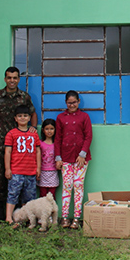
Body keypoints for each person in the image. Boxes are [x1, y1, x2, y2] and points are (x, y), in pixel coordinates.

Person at [0, 67, 38, 222]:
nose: (12, 80)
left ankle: (19, 214)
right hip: (1, 143)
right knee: (0, 177)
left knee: (19, 180)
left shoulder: (24, 97)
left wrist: (33, 130)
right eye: (9, 77)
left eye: (15, 78)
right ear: (5, 79)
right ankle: (0, 214)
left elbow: (33, 113)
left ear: (18, 79)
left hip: (21, 146)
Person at [55, 90, 92, 229]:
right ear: (66, 103)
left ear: (78, 102)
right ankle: (64, 217)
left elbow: (88, 137)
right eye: (69, 103)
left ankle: (77, 218)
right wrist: (58, 158)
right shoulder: (60, 118)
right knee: (67, 186)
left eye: (74, 102)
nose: (72, 105)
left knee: (78, 186)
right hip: (65, 158)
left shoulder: (84, 117)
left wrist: (82, 155)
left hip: (81, 159)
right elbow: (57, 138)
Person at [4, 105, 42, 225]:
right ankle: (8, 217)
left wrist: (38, 168)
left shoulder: (34, 134)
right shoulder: (11, 134)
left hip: (30, 172)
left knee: (29, 197)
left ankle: (26, 218)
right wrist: (7, 168)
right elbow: (8, 152)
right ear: (15, 118)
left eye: (25, 116)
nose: (22, 118)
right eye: (19, 116)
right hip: (16, 171)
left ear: (29, 118)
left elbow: (38, 151)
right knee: (13, 194)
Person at [37, 118, 59, 200]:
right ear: (43, 130)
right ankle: (42, 212)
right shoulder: (40, 143)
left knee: (52, 196)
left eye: (51, 129)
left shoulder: (57, 144)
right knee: (42, 195)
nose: (49, 131)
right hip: (42, 172)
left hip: (53, 172)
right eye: (47, 129)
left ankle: (51, 212)